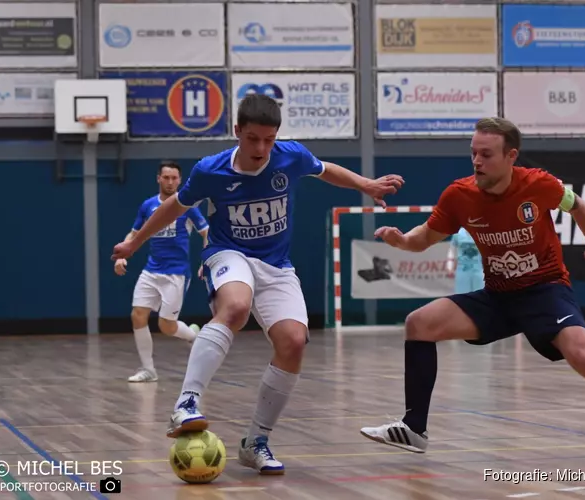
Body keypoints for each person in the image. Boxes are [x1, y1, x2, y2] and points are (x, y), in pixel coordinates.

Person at [359, 117, 585, 464]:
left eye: (486, 154)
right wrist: (401, 240)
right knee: (419, 323)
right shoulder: (459, 195)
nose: (477, 161)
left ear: (511, 156)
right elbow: (423, 238)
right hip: (498, 296)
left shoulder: (539, 184)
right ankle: (414, 429)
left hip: (545, 291)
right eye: (473, 153)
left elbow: (580, 208)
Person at [111, 94, 404, 475]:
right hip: (227, 253)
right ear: (237, 132)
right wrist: (135, 242)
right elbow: (175, 207)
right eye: (253, 139)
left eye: (269, 139)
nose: (262, 148)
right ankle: (186, 403)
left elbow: (323, 168)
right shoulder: (209, 170)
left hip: (276, 265)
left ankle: (255, 441)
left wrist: (365, 184)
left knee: (293, 342)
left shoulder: (290, 156)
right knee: (235, 306)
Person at [114, 161, 209, 383]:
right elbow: (134, 234)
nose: (170, 182)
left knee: (166, 326)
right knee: (138, 315)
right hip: (151, 270)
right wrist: (121, 256)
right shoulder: (148, 206)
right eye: (166, 177)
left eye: (174, 178)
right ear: (158, 178)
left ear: (180, 180)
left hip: (176, 273)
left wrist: (206, 260)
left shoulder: (188, 206)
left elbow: (207, 233)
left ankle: (195, 336)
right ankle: (148, 370)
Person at [447, 227, 484, 293]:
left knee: (480, 296)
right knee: (462, 297)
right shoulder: (457, 233)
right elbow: (451, 250)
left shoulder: (480, 233)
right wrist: (449, 267)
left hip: (478, 271)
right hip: (462, 271)